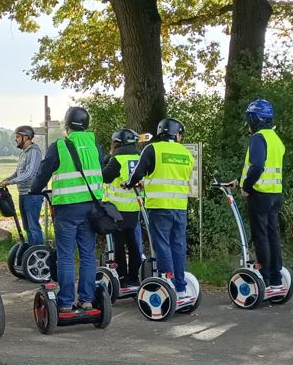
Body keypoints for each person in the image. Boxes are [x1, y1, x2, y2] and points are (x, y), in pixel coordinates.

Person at [29, 106, 103, 312]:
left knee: (66, 255)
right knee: (88, 254)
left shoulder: (59, 146)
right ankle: (87, 299)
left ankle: (65, 301)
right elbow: (102, 170)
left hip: (67, 210)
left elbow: (43, 174)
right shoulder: (96, 146)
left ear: (67, 125)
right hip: (92, 208)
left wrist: (35, 189)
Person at [125, 119, 194, 297]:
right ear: (176, 134)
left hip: (159, 206)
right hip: (180, 206)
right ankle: (180, 286)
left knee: (162, 244)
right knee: (178, 245)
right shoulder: (186, 153)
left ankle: (167, 281)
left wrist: (130, 183)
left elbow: (138, 172)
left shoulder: (152, 149)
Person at [234, 99, 285, 288]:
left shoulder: (258, 137)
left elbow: (257, 167)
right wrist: (238, 181)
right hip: (275, 194)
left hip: (260, 194)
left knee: (260, 235)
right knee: (273, 234)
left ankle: (263, 274)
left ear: (255, 118)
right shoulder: (275, 139)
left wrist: (246, 187)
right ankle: (276, 276)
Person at [102, 128, 143, 287]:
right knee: (133, 243)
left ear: (117, 143)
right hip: (133, 207)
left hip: (116, 208)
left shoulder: (117, 159)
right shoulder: (139, 157)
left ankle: (121, 276)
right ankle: (134, 276)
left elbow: (105, 177)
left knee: (118, 243)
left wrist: (106, 161)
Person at [0, 125, 45, 246]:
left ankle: (39, 254)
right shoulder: (23, 153)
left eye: (18, 137)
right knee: (27, 227)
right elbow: (18, 173)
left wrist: (11, 182)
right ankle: (31, 254)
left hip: (32, 195)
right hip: (23, 194)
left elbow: (30, 173)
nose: (16, 139)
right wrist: (5, 180)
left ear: (27, 137)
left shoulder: (34, 151)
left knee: (33, 227)